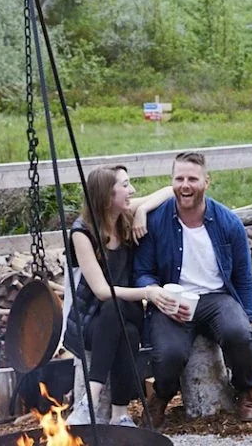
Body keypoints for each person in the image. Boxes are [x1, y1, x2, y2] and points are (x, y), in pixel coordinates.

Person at [134, 151, 252, 428]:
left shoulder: (228, 222)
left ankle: (245, 389)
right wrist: (154, 292)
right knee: (169, 353)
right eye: (179, 179)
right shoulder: (156, 221)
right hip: (172, 298)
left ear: (206, 182)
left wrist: (248, 315)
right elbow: (142, 271)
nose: (185, 185)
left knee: (240, 334)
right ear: (171, 182)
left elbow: (242, 275)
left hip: (216, 298)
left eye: (192, 179)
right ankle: (161, 396)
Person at [63, 165, 175, 427]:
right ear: (106, 195)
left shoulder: (124, 213)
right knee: (128, 331)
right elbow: (102, 292)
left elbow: (170, 190)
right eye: (124, 186)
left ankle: (88, 403)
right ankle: (120, 415)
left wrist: (142, 210)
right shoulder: (82, 233)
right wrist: (148, 292)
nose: (131, 190)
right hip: (92, 319)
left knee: (117, 310)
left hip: (129, 309)